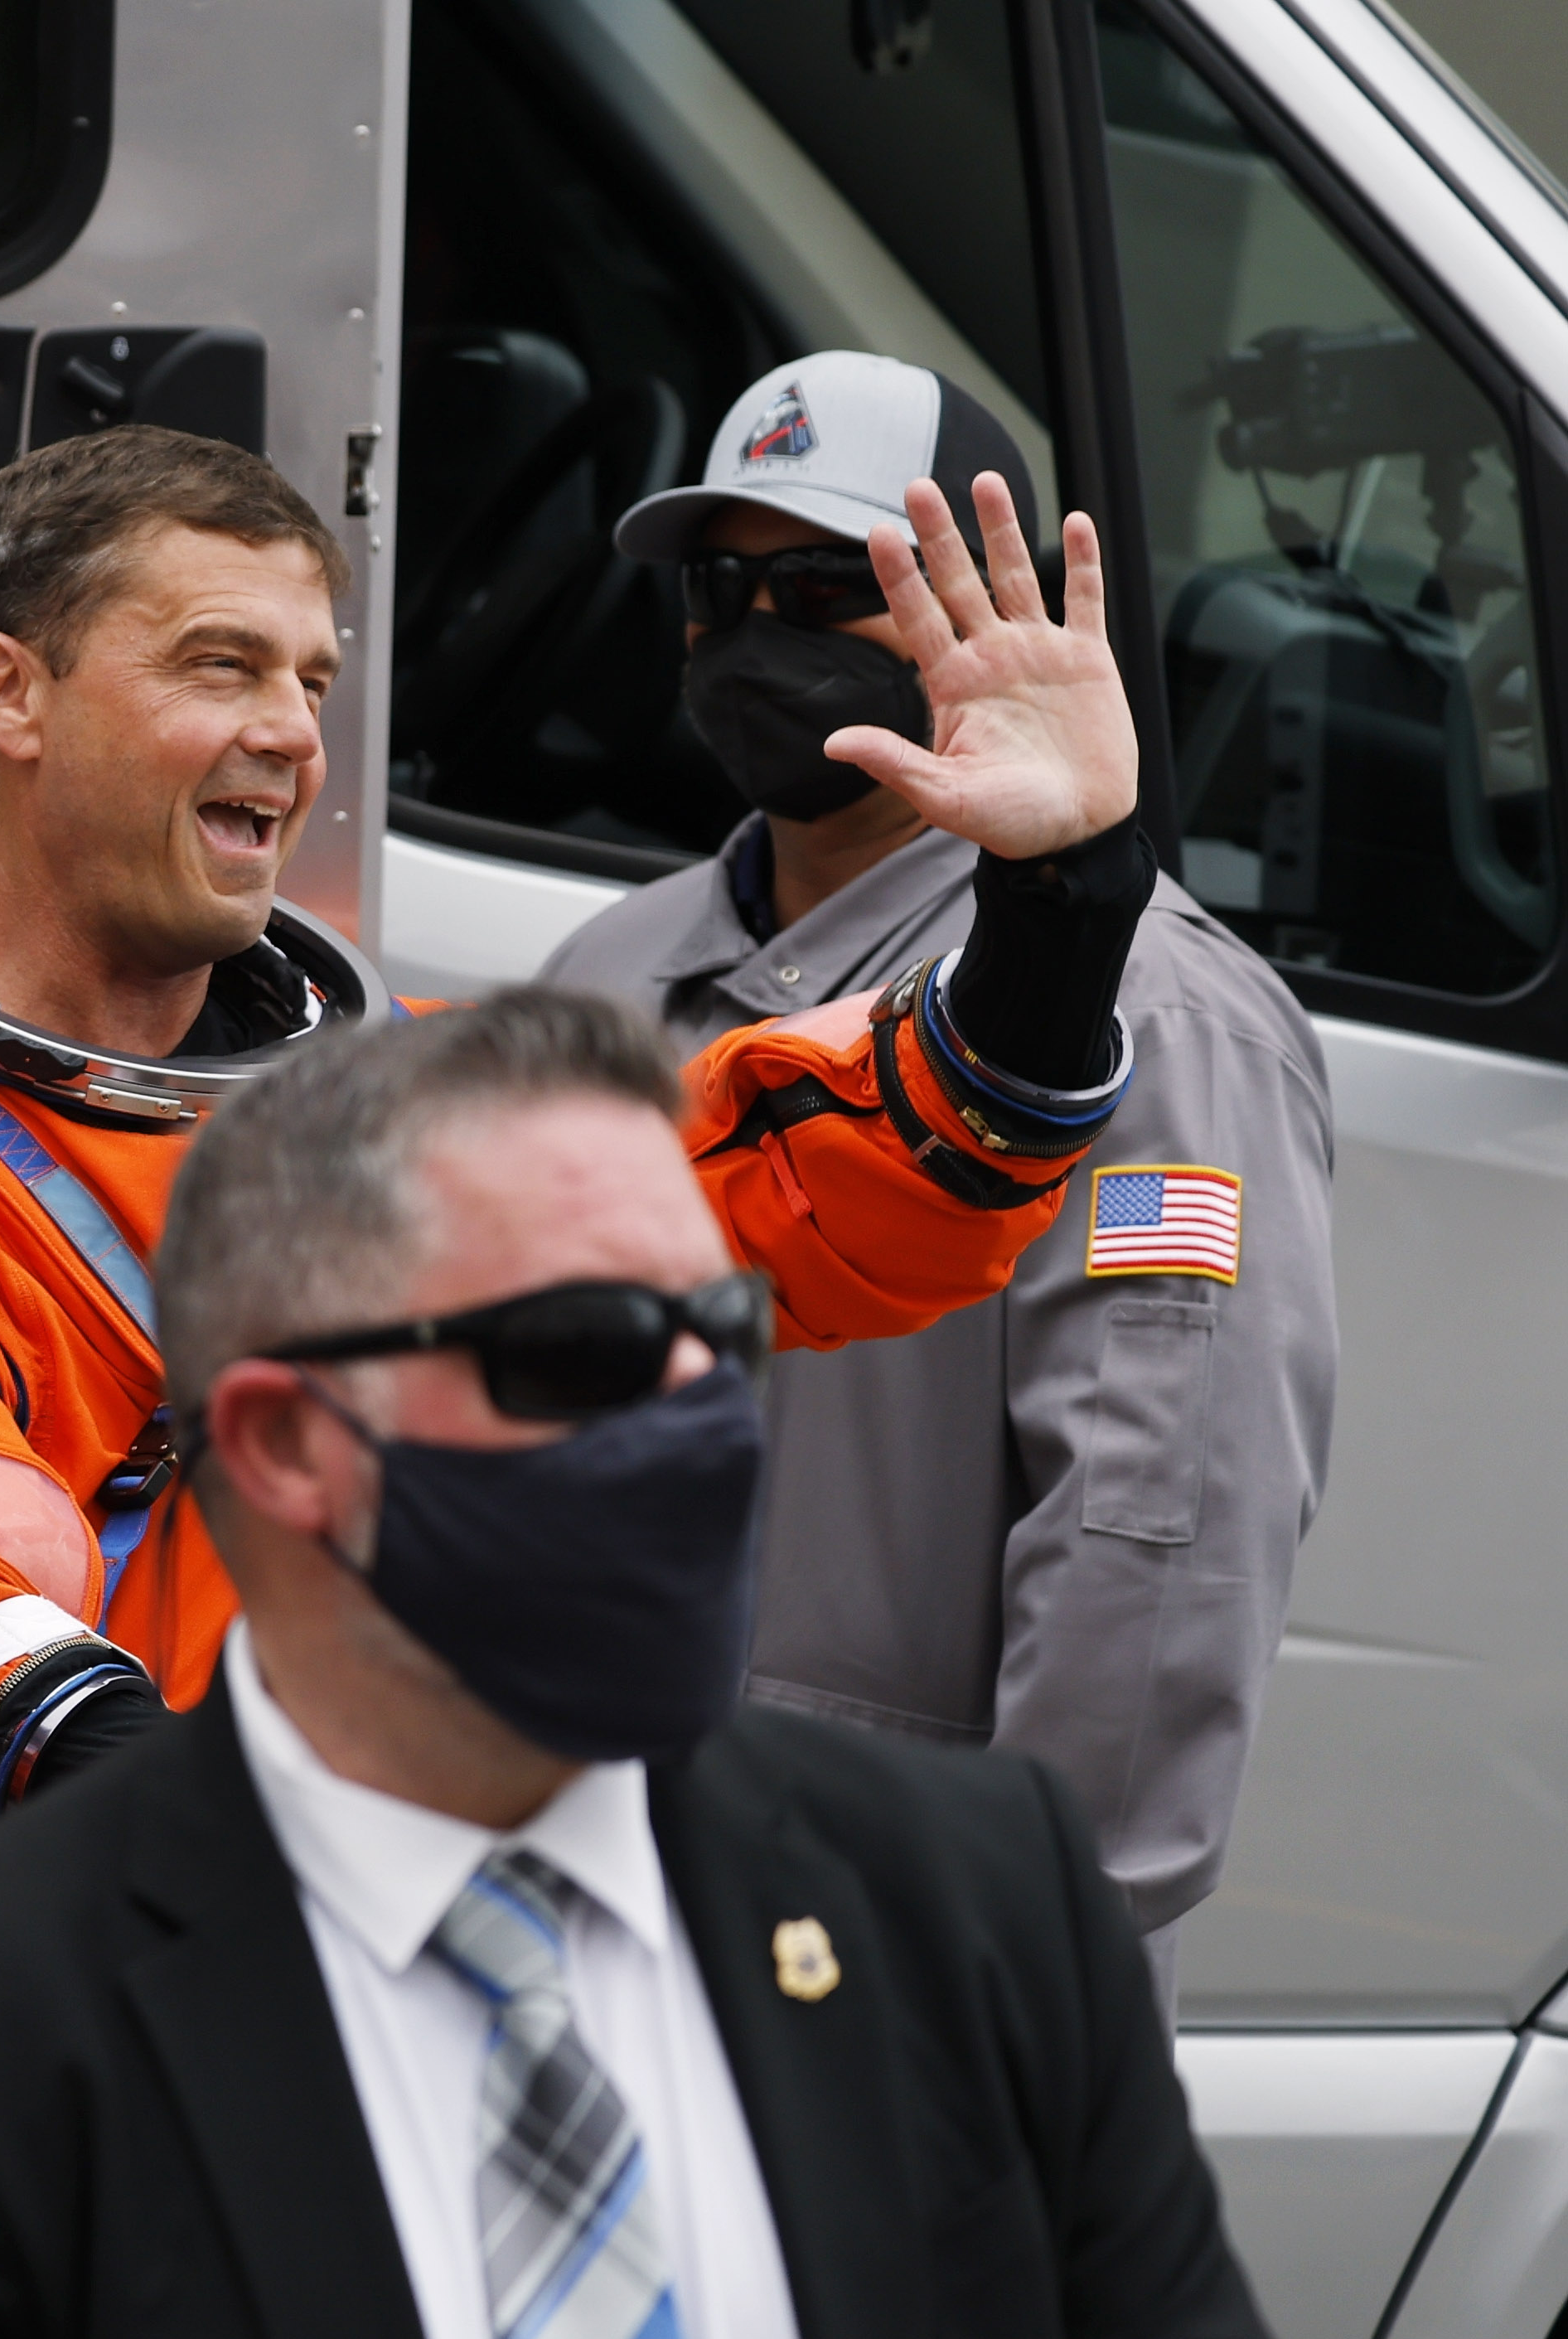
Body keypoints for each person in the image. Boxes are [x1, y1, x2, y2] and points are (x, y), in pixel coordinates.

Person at [0, 989, 1377, 2339]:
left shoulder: (970, 1900)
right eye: (587, 1349)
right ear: (280, 1443)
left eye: (718, 1336)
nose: (688, 1412)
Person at [0, 425, 1153, 1884]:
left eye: (313, 683)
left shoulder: (390, 1089)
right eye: (221, 666)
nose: (289, 733)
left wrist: (1057, 904)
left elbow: (784, 1175)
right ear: (12, 694)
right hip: (40, 1993)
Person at [546, 353, 1336, 2008]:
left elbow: (1148, 1530)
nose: (759, 628)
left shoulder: (1141, 1009)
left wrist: (992, 1955)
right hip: (578, 1923)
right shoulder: (595, 979)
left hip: (903, 1961)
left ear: (984, 609)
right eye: (719, 585)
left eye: (835, 583)